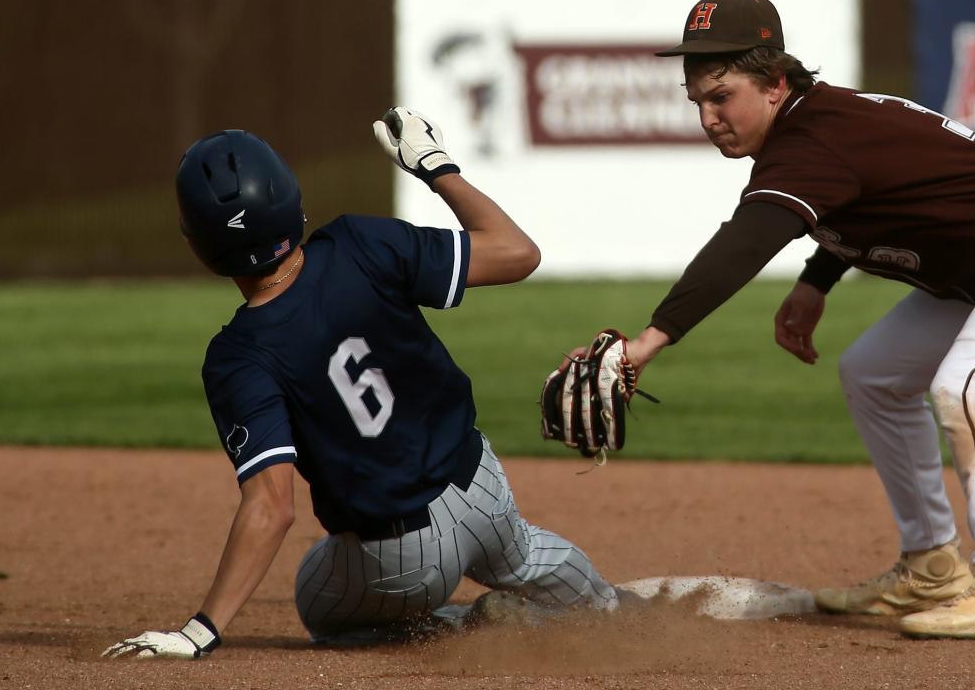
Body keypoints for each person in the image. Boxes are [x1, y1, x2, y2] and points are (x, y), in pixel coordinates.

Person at [612, 0, 975, 640]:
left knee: (971, 387)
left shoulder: (813, 139)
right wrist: (816, 279)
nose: (709, 117)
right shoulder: (819, 125)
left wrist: (649, 341)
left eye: (722, 97)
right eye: (699, 102)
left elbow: (745, 242)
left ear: (774, 84)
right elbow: (882, 191)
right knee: (874, 372)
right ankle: (932, 566)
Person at [104, 111, 617, 659]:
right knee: (524, 557)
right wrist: (435, 167)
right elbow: (519, 253)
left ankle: (458, 628)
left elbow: (272, 507)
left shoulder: (238, 356)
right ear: (288, 199)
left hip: (402, 559)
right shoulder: (359, 243)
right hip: (482, 489)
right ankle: (613, 613)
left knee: (316, 598)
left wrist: (199, 629)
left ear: (200, 243)